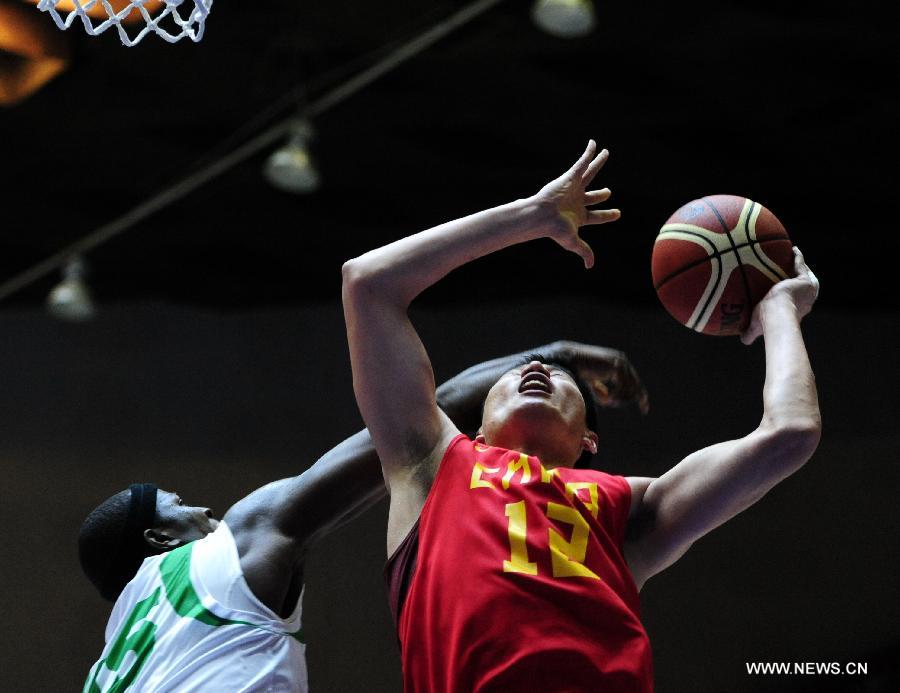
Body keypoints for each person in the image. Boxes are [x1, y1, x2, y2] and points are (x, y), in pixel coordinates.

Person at [341, 141, 822, 692]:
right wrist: (531, 216)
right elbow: (367, 284)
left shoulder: (627, 512)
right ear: (475, 428)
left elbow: (790, 433)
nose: (537, 370)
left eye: (561, 378)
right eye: (518, 372)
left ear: (588, 440)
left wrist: (780, 309)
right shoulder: (430, 464)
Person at [80, 339, 645, 692]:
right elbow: (414, 420)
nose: (203, 508)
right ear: (157, 539)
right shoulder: (224, 550)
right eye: (179, 507)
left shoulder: (107, 667)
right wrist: (552, 359)